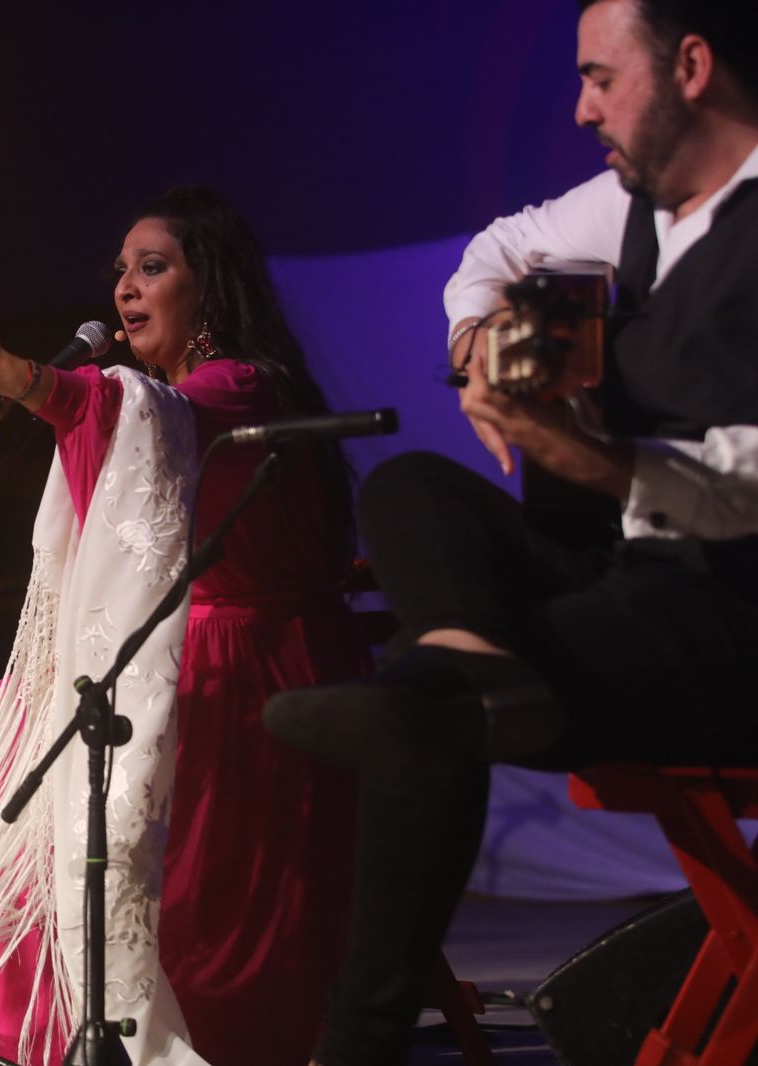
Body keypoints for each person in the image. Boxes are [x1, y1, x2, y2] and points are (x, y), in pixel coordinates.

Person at [261, 1, 758, 1063]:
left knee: (426, 698)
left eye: (598, 78)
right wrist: (478, 332)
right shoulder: (629, 209)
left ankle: (358, 1039)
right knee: (410, 491)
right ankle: (466, 656)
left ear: (692, 67)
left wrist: (600, 459)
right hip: (632, 571)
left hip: (732, 612)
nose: (580, 109)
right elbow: (497, 246)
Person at [0, 188, 368, 1066]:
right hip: (201, 649)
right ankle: (37, 1012)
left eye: (152, 268)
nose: (124, 288)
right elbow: (127, 419)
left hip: (257, 667)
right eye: (120, 269)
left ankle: (120, 1011)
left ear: (212, 287)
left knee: (46, 732)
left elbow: (131, 416)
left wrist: (24, 380)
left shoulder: (240, 386)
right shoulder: (178, 394)